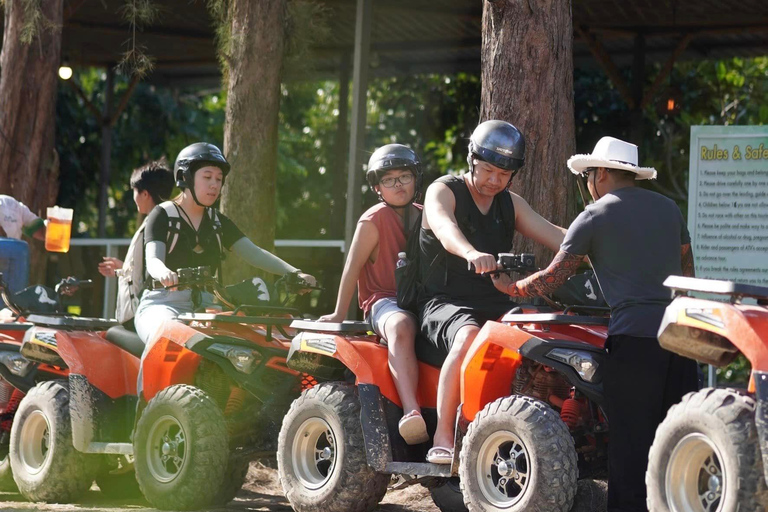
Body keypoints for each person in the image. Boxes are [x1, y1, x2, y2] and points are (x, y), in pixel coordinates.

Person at [491, 136, 698, 511]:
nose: (587, 183)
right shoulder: (670, 209)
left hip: (634, 340)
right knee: (677, 440)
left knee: (630, 444)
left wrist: (515, 287)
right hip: (679, 338)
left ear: (600, 173)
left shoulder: (594, 215)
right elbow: (687, 268)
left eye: (588, 175)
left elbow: (556, 276)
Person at [419, 120, 566, 464]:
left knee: (545, 331)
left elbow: (558, 236)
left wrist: (596, 241)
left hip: (497, 301)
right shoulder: (443, 190)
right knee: (469, 336)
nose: (494, 180)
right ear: (472, 161)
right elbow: (444, 227)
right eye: (487, 170)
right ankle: (443, 436)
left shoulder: (509, 203)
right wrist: (470, 252)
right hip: (443, 301)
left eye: (503, 174)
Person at [134, 142, 316, 347]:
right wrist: (164, 272)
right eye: (207, 176)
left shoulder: (217, 222)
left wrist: (295, 273)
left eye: (219, 179)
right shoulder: (163, 214)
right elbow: (153, 260)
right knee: (167, 338)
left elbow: (254, 253)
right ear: (185, 177)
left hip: (207, 307)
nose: (215, 184)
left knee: (245, 347)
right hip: (162, 304)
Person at [319, 144, 428, 445]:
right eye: (389, 179)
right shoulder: (373, 220)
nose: (398, 185)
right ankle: (411, 412)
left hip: (423, 300)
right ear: (378, 187)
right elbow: (351, 268)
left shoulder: (428, 215)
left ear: (416, 179)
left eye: (405, 176)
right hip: (384, 300)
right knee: (400, 325)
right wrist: (339, 313)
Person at [97, 159, 175, 328]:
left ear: (145, 194)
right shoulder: (169, 221)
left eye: (135, 191)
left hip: (141, 314)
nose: (134, 197)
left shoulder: (153, 224)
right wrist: (122, 268)